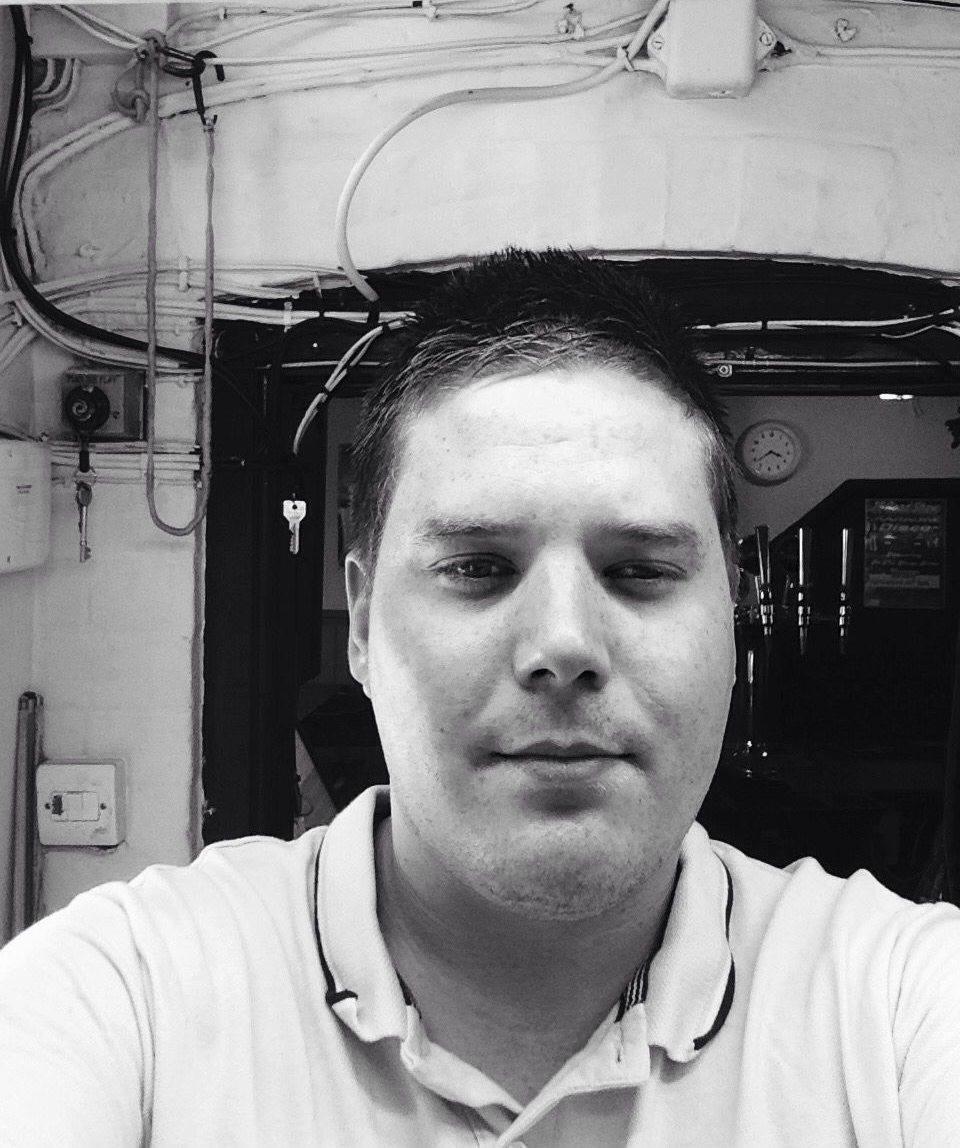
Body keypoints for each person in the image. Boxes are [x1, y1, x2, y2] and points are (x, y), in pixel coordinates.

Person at [1, 247, 959, 1147]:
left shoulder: (898, 1007)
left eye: (639, 570)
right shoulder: (125, 997)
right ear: (364, 625)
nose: (564, 645)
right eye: (477, 567)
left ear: (733, 619)